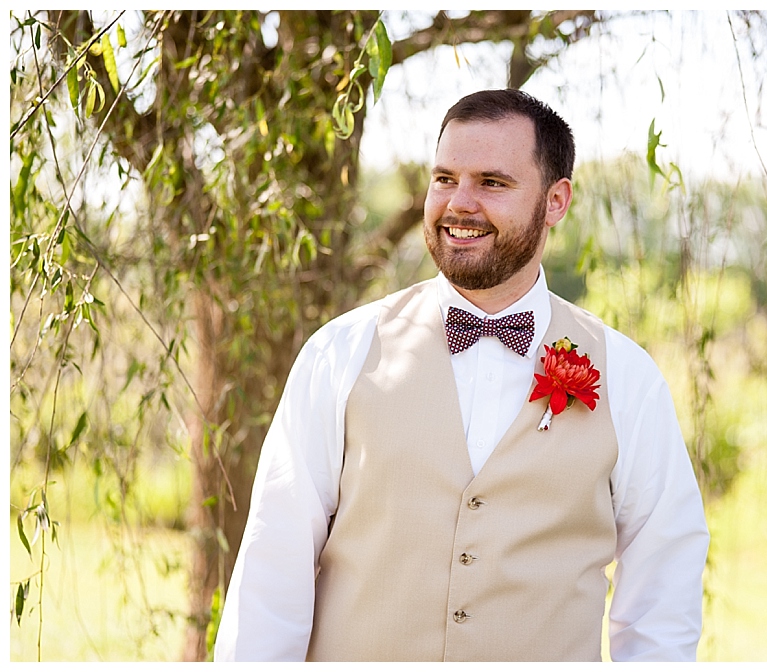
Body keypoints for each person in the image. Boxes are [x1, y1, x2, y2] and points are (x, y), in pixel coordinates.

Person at [214, 89, 709, 662]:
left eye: (492, 183)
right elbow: (273, 569)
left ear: (556, 201)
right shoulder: (340, 354)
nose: (459, 204)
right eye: (445, 178)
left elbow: (661, 597)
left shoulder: (626, 377)